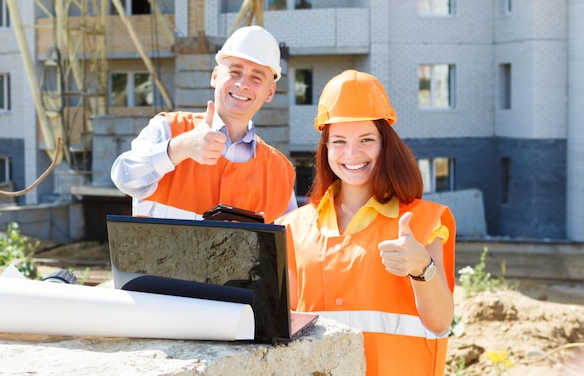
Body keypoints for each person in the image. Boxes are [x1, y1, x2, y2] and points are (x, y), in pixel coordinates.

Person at [276, 70, 456, 376]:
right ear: (326, 148)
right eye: (340, 141)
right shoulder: (293, 229)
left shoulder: (423, 223)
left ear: (386, 144)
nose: (352, 153)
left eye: (366, 140)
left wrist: (421, 267)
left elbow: (440, 322)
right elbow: (283, 328)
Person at [111, 25, 297, 223]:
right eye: (234, 71)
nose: (242, 84)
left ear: (270, 92)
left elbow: (289, 245)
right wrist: (179, 149)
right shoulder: (169, 129)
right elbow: (124, 178)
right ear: (215, 76)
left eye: (256, 77)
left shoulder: (280, 172)